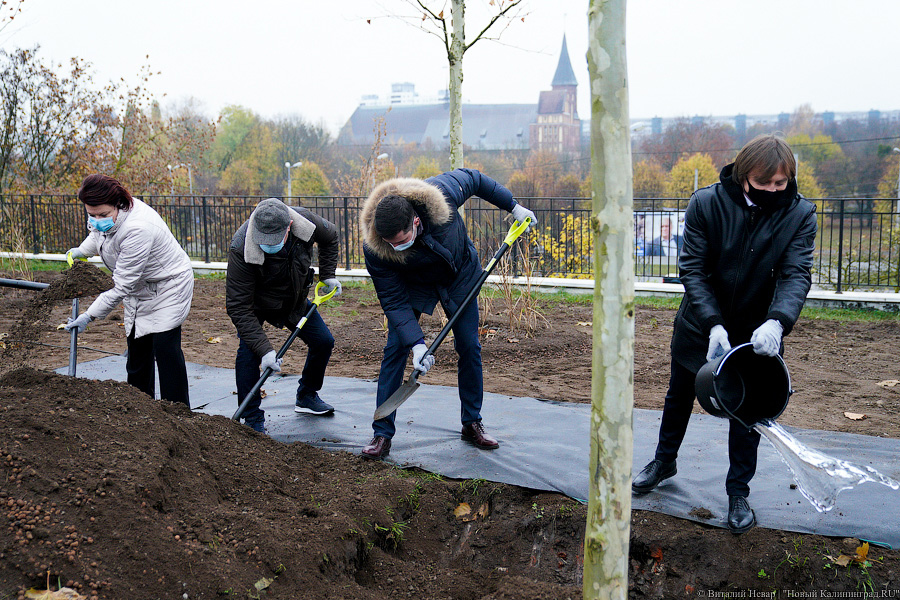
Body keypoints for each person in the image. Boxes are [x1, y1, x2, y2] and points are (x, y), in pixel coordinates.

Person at [631, 134, 817, 534]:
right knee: (679, 394)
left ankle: (738, 493)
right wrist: (712, 323)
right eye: (763, 182)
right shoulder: (707, 203)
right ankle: (664, 461)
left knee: (748, 412)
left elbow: (795, 273)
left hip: (758, 332)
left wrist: (777, 321)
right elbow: (693, 269)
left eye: (780, 184)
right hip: (701, 325)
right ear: (744, 174)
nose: (771, 190)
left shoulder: (799, 214)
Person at [359, 168, 537, 459]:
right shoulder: (376, 248)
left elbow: (477, 179)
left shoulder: (441, 194)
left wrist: (513, 206)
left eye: (402, 241)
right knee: (395, 349)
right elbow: (392, 299)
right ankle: (382, 433)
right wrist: (417, 343)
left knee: (469, 345)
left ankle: (472, 422)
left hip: (459, 275)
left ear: (416, 221)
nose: (396, 247)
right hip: (412, 285)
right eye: (391, 244)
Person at [64, 174, 194, 407]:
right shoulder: (106, 219)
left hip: (168, 286)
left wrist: (89, 315)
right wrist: (81, 251)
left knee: (165, 348)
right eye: (91, 215)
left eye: (102, 215)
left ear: (118, 205)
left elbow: (121, 286)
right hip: (141, 287)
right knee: (137, 346)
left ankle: (178, 412)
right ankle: (140, 409)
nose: (96, 220)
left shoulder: (137, 229)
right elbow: (99, 235)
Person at [225, 198, 341, 433]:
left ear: (289, 226)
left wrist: (327, 275)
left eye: (274, 241)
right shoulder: (240, 247)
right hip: (255, 305)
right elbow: (238, 307)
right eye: (263, 241)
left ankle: (307, 395)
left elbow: (331, 237)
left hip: (293, 300)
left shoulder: (306, 223)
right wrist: (266, 350)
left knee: (323, 342)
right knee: (248, 354)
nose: (267, 245)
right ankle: (251, 417)